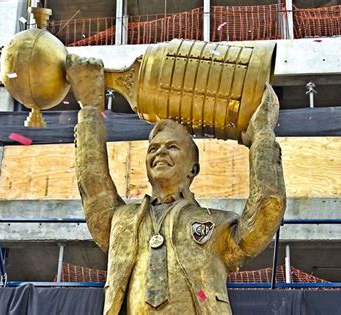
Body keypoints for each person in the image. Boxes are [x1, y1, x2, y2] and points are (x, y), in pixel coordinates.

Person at [67, 54, 286, 315]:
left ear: (193, 168)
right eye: (153, 149)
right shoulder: (121, 222)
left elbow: (267, 208)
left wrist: (262, 136)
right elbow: (93, 187)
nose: (160, 153)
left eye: (172, 147)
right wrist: (90, 109)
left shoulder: (217, 225)